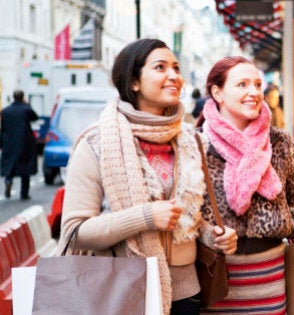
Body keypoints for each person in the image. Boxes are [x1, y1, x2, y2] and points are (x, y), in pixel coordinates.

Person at [56, 39, 238, 315]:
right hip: (120, 292)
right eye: (160, 67)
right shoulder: (96, 142)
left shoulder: (189, 140)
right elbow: (74, 232)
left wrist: (213, 236)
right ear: (134, 82)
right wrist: (145, 216)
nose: (174, 76)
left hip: (187, 294)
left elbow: (188, 218)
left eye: (176, 68)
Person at [197, 56, 294, 313]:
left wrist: (283, 220)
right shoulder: (196, 145)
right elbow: (184, 214)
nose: (254, 92)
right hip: (214, 279)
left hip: (269, 279)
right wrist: (209, 234)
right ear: (217, 92)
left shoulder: (280, 141)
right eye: (242, 85)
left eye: (257, 84)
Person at [0, 89, 38, 200]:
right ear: (22, 97)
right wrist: (28, 104)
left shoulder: (5, 111)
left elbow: (3, 128)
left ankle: (8, 180)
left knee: (10, 165)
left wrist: (1, 143)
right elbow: (35, 117)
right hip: (24, 143)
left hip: (9, 142)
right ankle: (24, 193)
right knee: (25, 168)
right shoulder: (26, 110)